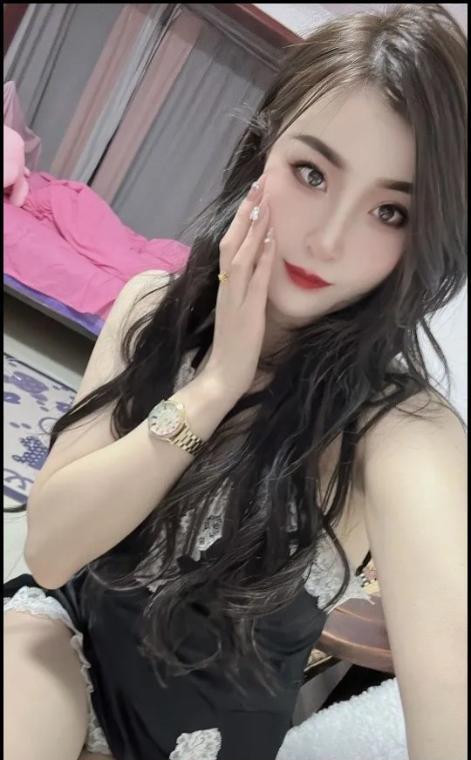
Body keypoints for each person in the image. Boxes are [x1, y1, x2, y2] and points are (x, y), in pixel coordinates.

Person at [4, 4, 467, 760]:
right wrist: (214, 386)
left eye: (390, 212)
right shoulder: (152, 307)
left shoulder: (397, 429)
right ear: (262, 151)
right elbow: (51, 552)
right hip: (62, 651)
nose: (327, 239)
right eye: (311, 173)